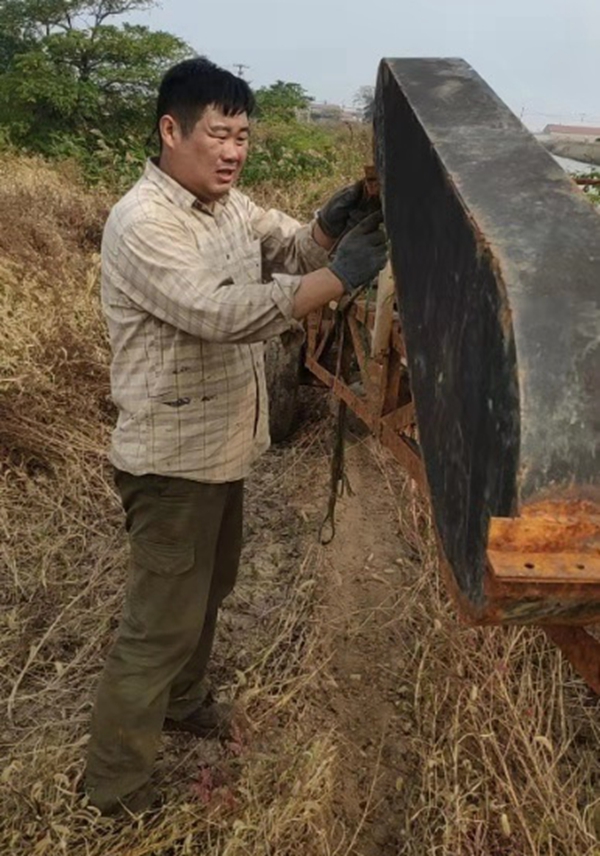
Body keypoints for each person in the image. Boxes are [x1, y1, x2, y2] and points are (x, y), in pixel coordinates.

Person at [84, 57, 387, 816]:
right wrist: (340, 279)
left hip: (220, 448)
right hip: (171, 462)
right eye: (218, 134)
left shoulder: (225, 206)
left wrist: (338, 220)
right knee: (158, 625)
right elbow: (219, 312)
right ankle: (115, 787)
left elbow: (294, 247)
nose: (232, 151)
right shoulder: (144, 223)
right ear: (171, 130)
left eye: (243, 136)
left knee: (210, 590)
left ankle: (184, 702)